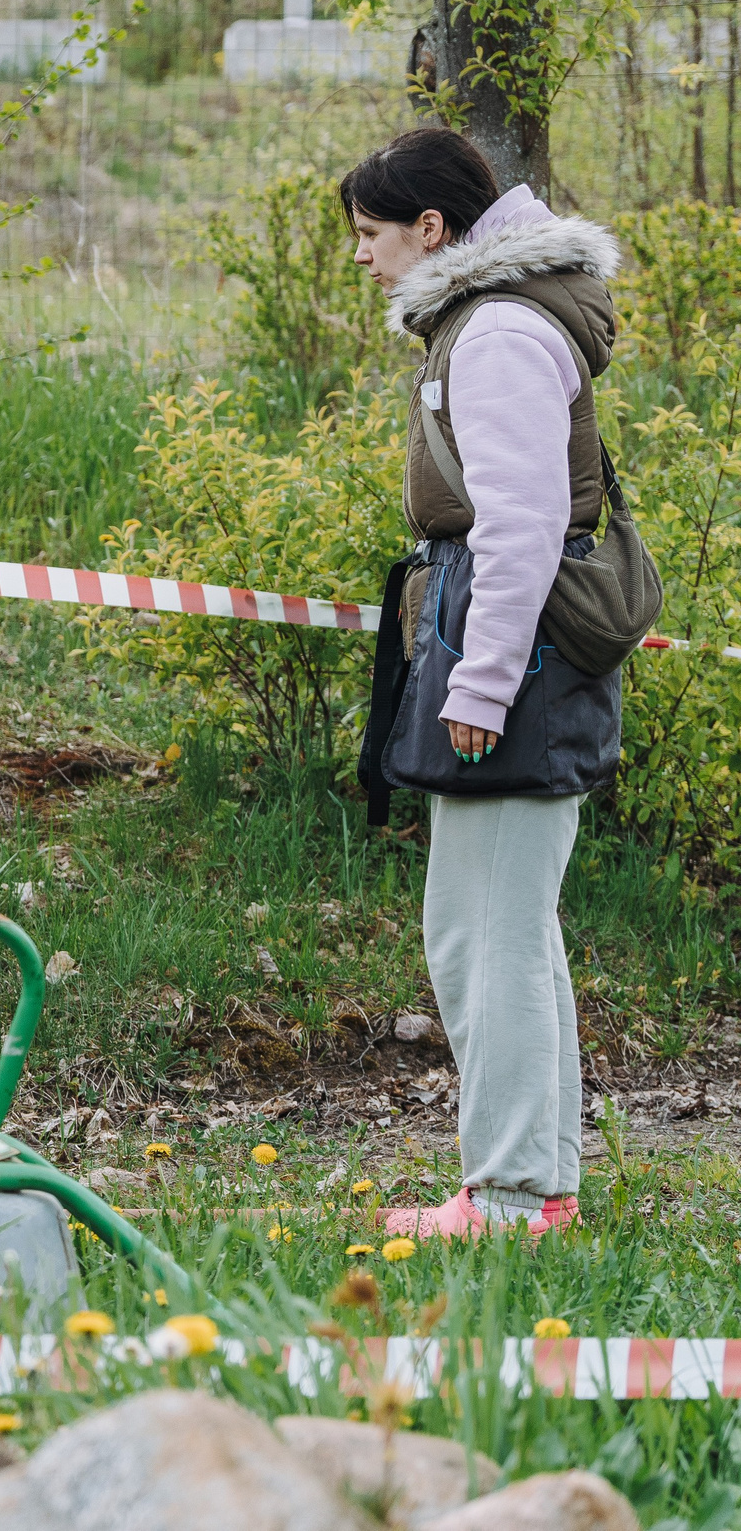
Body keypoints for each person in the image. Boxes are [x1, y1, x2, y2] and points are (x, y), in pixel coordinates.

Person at [341, 127, 624, 1239]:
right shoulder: (495, 315)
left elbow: (520, 528)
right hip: (522, 650)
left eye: (372, 235)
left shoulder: (498, 329)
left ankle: (505, 1195)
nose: (363, 258)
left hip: (517, 654)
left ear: (430, 229)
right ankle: (536, 1188)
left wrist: (478, 688)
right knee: (511, 923)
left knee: (481, 930)